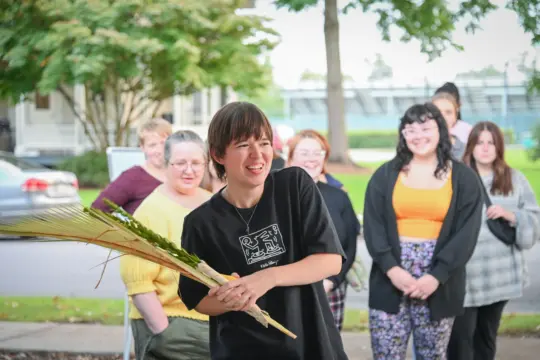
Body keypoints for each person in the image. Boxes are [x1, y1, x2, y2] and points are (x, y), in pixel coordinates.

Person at [178, 101, 348, 360]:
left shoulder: (294, 186)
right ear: (218, 154)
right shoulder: (200, 223)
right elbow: (198, 299)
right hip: (242, 350)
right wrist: (231, 297)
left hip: (312, 345)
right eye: (244, 145)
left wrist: (267, 278)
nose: (258, 155)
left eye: (265, 143)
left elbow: (330, 261)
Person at [363, 103, 483, 359]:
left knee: (433, 354)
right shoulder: (385, 175)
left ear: (440, 129)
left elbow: (466, 233)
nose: (418, 136)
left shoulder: (464, 178)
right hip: (390, 279)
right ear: (403, 135)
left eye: (425, 128)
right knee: (386, 353)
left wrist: (436, 275)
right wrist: (392, 270)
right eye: (410, 130)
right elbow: (373, 226)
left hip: (439, 283)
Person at [447, 121, 540, 360]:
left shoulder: (514, 179)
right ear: (471, 146)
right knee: (460, 340)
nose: (485, 148)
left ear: (499, 147)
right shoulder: (457, 178)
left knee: (486, 339)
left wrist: (512, 215)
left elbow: (534, 217)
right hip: (466, 275)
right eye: (480, 142)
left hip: (500, 275)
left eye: (491, 143)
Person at [120, 130, 213, 360]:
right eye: (180, 163)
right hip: (171, 320)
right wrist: (164, 332)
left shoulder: (212, 203)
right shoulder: (150, 212)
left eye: (196, 163)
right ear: (166, 163)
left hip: (213, 318)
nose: (189, 170)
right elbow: (137, 281)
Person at [287, 129, 360, 331]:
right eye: (304, 153)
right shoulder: (276, 195)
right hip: (286, 290)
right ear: (291, 157)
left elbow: (349, 246)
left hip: (329, 289)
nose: (311, 159)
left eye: (317, 153)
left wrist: (331, 281)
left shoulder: (339, 198)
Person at [92, 118, 172, 214]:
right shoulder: (132, 178)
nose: (159, 150)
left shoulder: (183, 174)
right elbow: (97, 210)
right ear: (142, 148)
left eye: (163, 143)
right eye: (152, 145)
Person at [432, 91, 467, 160]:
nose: (443, 117)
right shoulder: (420, 148)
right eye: (437, 112)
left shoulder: (466, 151)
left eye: (448, 112)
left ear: (455, 116)